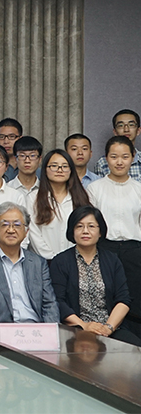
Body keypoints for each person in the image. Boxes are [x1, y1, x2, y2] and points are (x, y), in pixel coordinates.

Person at [50, 206, 141, 346]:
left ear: (100, 232)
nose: (85, 231)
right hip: (75, 328)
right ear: (72, 231)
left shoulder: (112, 260)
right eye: (79, 226)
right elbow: (58, 301)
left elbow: (123, 299)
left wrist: (108, 328)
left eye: (91, 226)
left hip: (111, 328)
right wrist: (84, 325)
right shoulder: (61, 261)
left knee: (136, 350)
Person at [0, 202, 60, 324]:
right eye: (5, 224)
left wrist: (49, 331)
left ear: (26, 232)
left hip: (35, 330)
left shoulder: (38, 263)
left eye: (17, 225)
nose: (11, 230)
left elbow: (50, 304)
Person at [87, 136, 141, 321]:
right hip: (104, 248)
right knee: (105, 297)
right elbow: (91, 223)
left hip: (134, 250)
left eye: (125, 157)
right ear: (106, 158)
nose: (119, 162)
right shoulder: (94, 188)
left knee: (135, 300)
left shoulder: (138, 189)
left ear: (132, 158)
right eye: (114, 156)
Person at [27, 149, 90, 260]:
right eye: (54, 166)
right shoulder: (33, 198)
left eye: (65, 166)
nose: (59, 170)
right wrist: (52, 258)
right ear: (45, 169)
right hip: (43, 261)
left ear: (71, 170)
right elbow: (33, 233)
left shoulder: (81, 198)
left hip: (75, 260)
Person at [94, 109, 141, 181]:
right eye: (121, 125)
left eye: (131, 125)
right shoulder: (102, 163)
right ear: (115, 132)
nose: (126, 129)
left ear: (138, 131)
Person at [0, 118, 23, 182]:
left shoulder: (32, 169)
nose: (6, 141)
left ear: (20, 139)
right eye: (1, 137)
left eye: (12, 136)